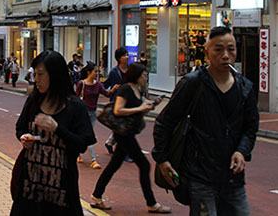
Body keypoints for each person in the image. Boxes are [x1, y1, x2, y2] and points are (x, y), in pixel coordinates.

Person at [153, 27, 259, 216]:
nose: (226, 55)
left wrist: (241, 151)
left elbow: (250, 128)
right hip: (200, 177)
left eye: (231, 49)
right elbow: (165, 122)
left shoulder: (245, 87)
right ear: (207, 53)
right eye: (218, 50)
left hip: (233, 179)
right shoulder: (192, 83)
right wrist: (162, 159)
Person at [10, 50, 96, 216]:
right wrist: (24, 138)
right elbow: (20, 128)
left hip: (61, 193)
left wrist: (57, 129)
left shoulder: (75, 107)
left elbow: (83, 143)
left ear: (55, 75)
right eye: (35, 74)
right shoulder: (34, 101)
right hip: (30, 189)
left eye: (41, 74)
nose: (36, 80)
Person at [91, 62, 171, 213]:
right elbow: (118, 110)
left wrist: (150, 106)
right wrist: (140, 107)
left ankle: (97, 195)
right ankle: (152, 203)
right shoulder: (126, 88)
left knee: (113, 166)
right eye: (144, 75)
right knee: (144, 165)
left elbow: (136, 112)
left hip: (128, 132)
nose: (146, 78)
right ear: (136, 76)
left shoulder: (136, 90)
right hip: (123, 134)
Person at [76, 61, 119, 169]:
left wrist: (113, 90)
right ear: (88, 72)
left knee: (84, 134)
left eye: (98, 71)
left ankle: (78, 153)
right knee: (89, 135)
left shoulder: (98, 84)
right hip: (83, 113)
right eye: (95, 71)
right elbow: (76, 98)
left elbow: (106, 94)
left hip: (93, 113)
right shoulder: (82, 83)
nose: (97, 73)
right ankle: (93, 160)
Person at [102, 47, 129, 155]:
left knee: (122, 126)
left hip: (128, 101)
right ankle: (124, 151)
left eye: (127, 55)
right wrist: (112, 90)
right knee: (123, 126)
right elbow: (105, 85)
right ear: (119, 58)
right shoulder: (114, 72)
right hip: (117, 102)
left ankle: (110, 142)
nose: (127, 57)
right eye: (124, 55)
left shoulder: (130, 70)